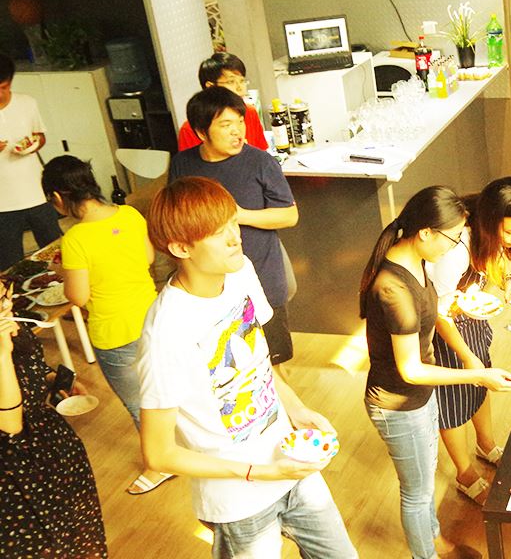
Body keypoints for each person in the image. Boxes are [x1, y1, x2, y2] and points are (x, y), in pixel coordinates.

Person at [137, 177, 356, 558]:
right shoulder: (165, 332)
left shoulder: (240, 272)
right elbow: (158, 454)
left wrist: (296, 409)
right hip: (238, 499)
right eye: (216, 232)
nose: (234, 238)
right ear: (180, 247)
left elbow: (257, 361)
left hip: (290, 461)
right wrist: (257, 472)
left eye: (232, 223)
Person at [360, 185, 511, 559]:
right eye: (453, 237)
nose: (456, 245)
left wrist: (457, 303)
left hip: (417, 399)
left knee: (424, 482)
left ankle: (436, 543)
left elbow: (431, 313)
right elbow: (411, 370)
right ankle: (427, 554)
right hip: (399, 404)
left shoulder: (415, 261)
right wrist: (478, 375)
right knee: (417, 493)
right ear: (426, 232)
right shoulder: (393, 288)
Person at [41, 155, 172, 495]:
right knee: (167, 387)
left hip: (114, 334)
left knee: (140, 404)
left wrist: (64, 273)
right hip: (154, 319)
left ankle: (159, 466)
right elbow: (147, 258)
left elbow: (78, 296)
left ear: (58, 197)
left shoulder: (75, 239)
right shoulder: (129, 214)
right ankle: (186, 446)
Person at [425, 177, 511, 504]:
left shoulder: (487, 232)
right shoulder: (454, 250)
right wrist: (466, 356)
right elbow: (437, 312)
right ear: (489, 221)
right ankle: (464, 474)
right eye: (510, 231)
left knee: (480, 384)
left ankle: (486, 445)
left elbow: (495, 257)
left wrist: (509, 283)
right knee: (452, 402)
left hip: (467, 317)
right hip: (442, 326)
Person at [169, 87, 298, 367]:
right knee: (226, 365)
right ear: (201, 132)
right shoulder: (183, 164)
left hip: (262, 278)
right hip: (209, 289)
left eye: (240, 121)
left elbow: (289, 216)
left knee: (272, 363)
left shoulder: (260, 161)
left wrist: (238, 215)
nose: (237, 131)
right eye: (226, 125)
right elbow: (176, 216)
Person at [1, 288, 108, 558]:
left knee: (78, 527)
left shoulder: (10, 319)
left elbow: (31, 363)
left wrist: (53, 381)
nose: (7, 303)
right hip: (17, 471)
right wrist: (2, 354)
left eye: (5, 293)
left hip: (52, 447)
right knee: (47, 544)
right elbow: (10, 425)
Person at [0, 53, 62, 271]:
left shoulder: (27, 103)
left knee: (55, 250)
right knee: (10, 263)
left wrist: (33, 145)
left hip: (36, 192)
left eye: (3, 87)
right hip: (3, 203)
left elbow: (39, 135)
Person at [177, 52, 268, 152]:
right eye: (231, 82)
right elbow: (190, 161)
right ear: (210, 87)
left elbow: (262, 153)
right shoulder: (190, 129)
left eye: (242, 81)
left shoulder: (250, 112)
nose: (240, 88)